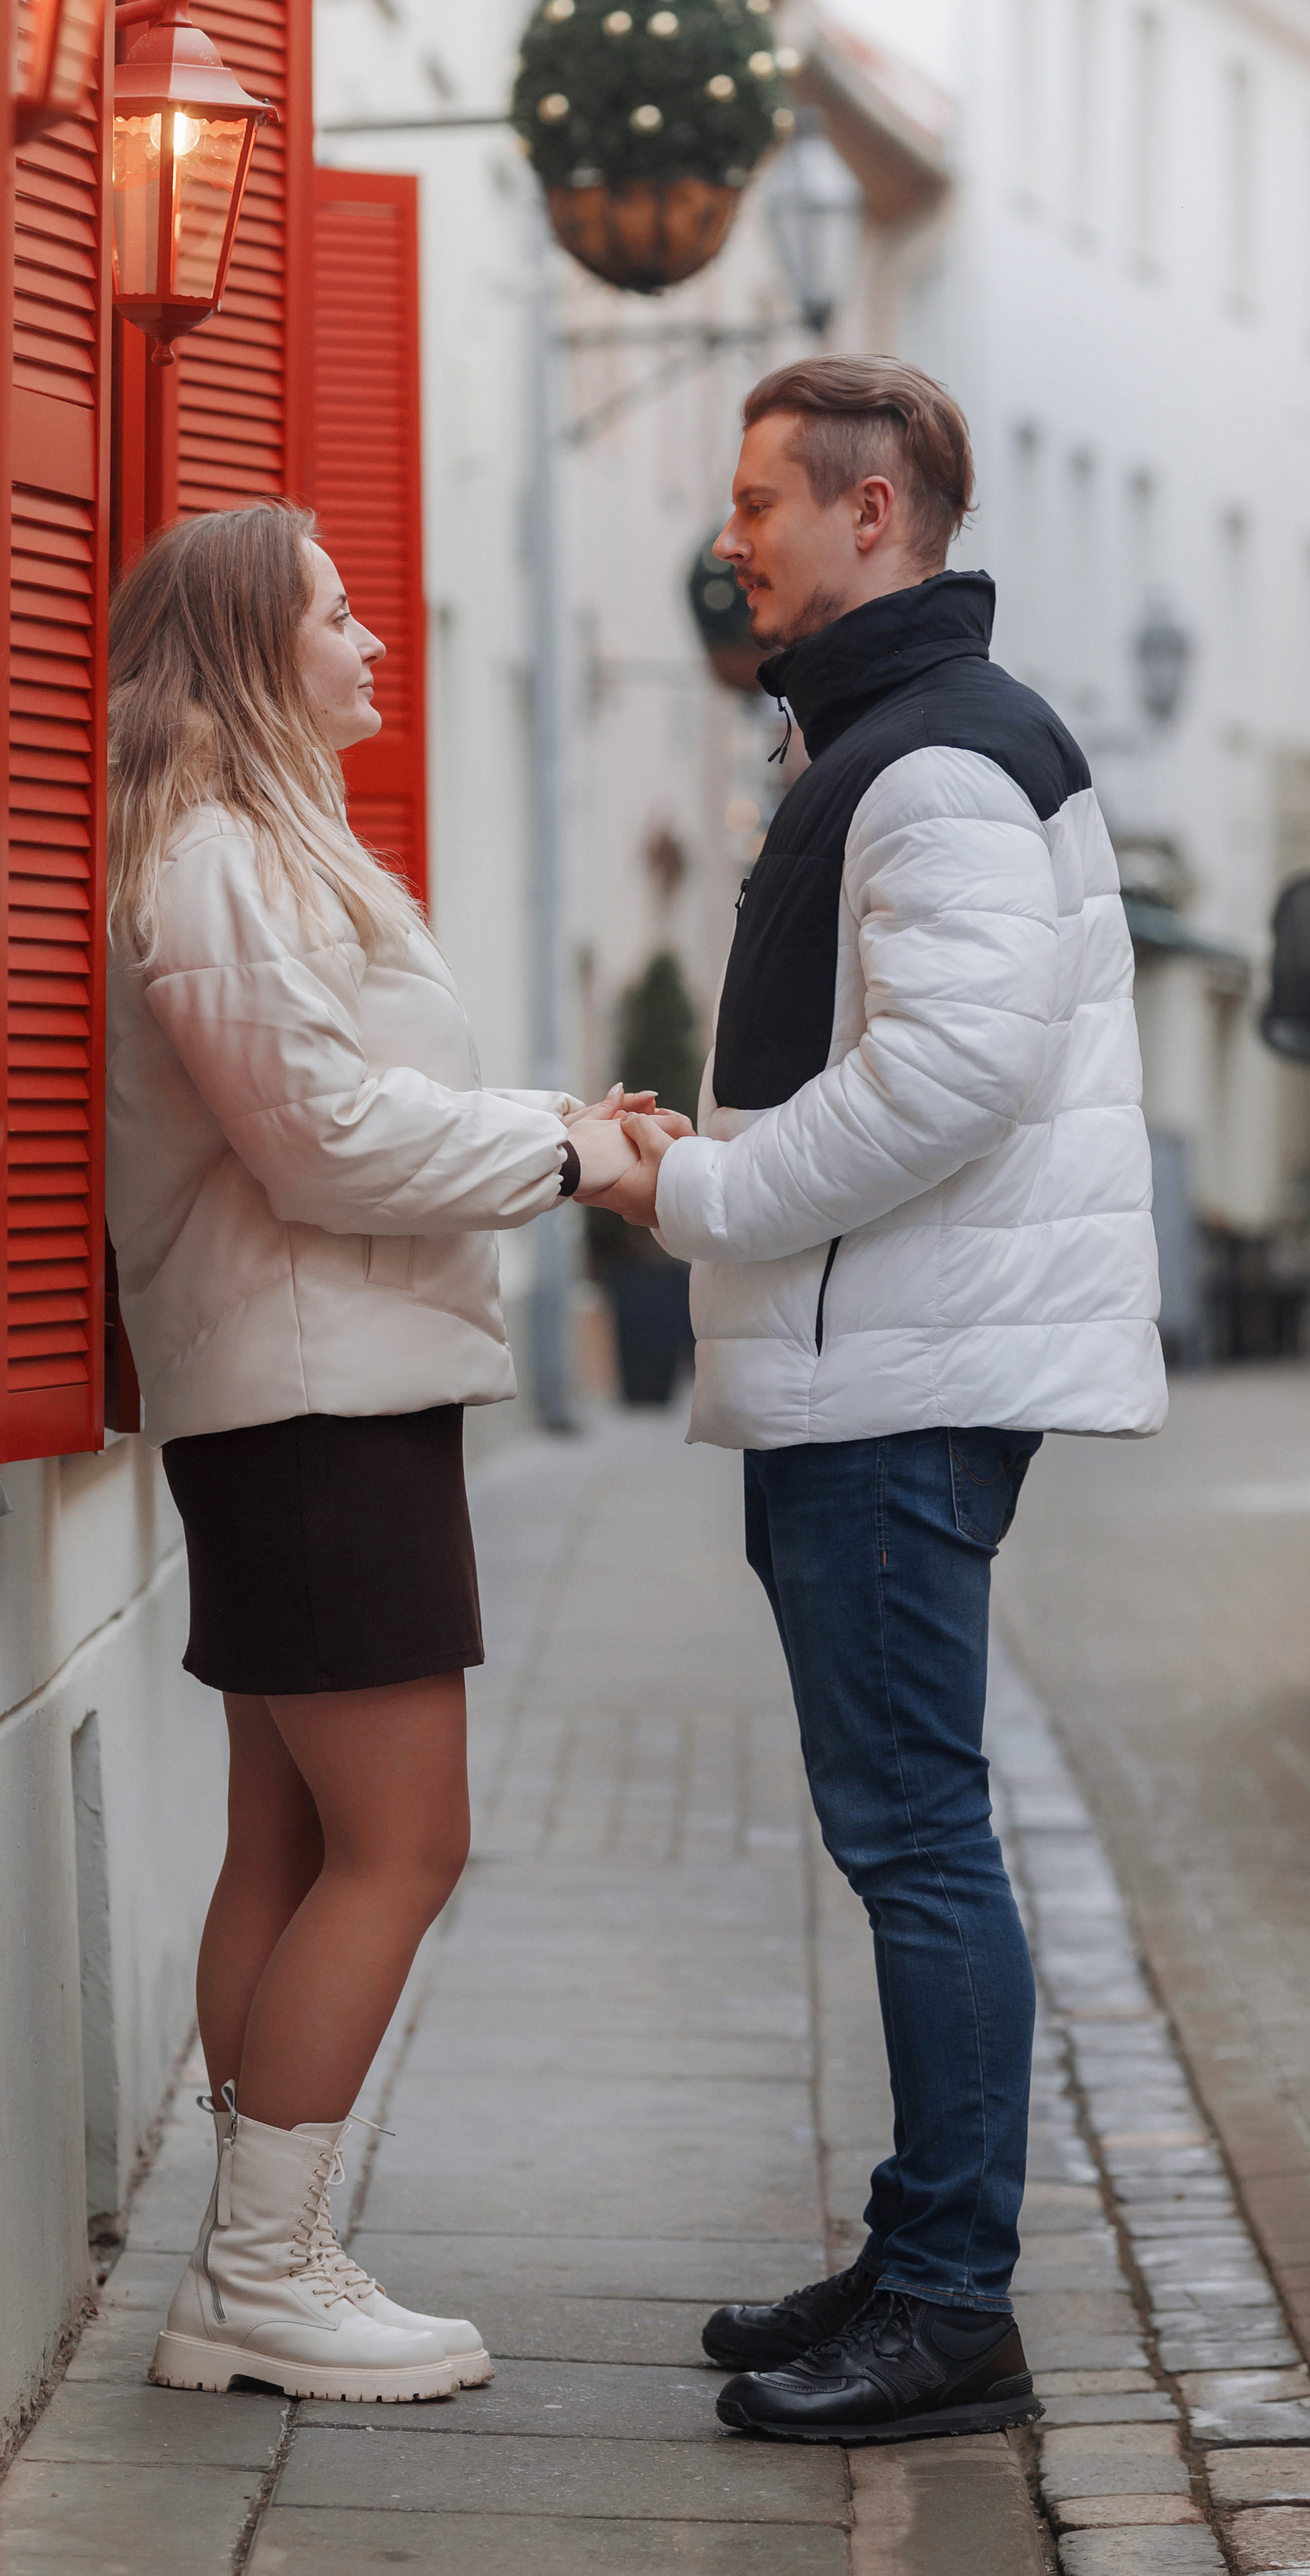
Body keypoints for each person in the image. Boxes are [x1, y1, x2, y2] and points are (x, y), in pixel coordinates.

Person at [593, 356, 1166, 2443]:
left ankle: (952, 2305)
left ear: (874, 519)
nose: (729, 536)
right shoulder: (897, 738)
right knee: (906, 1829)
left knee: (920, 1837)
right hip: (878, 1363)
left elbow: (948, 1078)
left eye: (761, 501)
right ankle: (922, 2236)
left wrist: (712, 1193)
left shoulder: (930, 760)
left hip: (897, 1385)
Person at [103, 500, 643, 2405]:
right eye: (342, 615)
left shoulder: (255, 855)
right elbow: (320, 1140)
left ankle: (249, 2269)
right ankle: (265, 2273)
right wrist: (571, 1157)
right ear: (260, 647)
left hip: (311, 1394)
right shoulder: (217, 862)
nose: (372, 643)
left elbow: (352, 1102)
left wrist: (551, 1120)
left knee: (298, 1833)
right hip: (315, 1401)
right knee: (407, 1844)